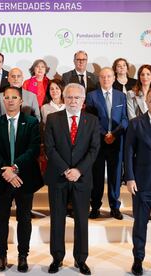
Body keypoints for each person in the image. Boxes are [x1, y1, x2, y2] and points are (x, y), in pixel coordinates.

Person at [45, 83, 100, 275]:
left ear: (83, 100)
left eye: (77, 98)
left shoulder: (92, 121)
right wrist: (66, 169)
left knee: (81, 221)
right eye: (69, 97)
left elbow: (94, 150)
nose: (73, 101)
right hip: (58, 177)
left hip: (82, 179)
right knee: (57, 220)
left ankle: (81, 259)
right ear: (64, 98)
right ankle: (57, 258)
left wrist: (78, 171)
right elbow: (49, 148)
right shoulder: (53, 118)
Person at [0, 86, 43, 272]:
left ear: (21, 101)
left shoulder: (32, 122)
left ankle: (22, 256)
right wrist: (8, 172)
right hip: (2, 179)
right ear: (3, 101)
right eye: (7, 97)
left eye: (14, 97)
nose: (10, 100)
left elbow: (33, 149)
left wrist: (15, 168)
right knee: (1, 219)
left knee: (24, 219)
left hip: (24, 179)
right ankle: (1, 255)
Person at [125, 87, 151, 276]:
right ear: (147, 103)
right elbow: (128, 153)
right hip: (142, 183)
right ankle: (138, 260)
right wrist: (130, 178)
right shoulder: (135, 124)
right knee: (140, 224)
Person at [86, 67, 128, 219]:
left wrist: (114, 134)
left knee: (115, 176)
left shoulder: (121, 96)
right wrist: (105, 134)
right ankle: (95, 207)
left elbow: (125, 118)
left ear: (114, 78)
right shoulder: (91, 96)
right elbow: (91, 119)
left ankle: (114, 207)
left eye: (109, 76)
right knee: (96, 176)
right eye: (103, 77)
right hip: (98, 141)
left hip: (116, 141)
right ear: (99, 79)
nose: (106, 79)